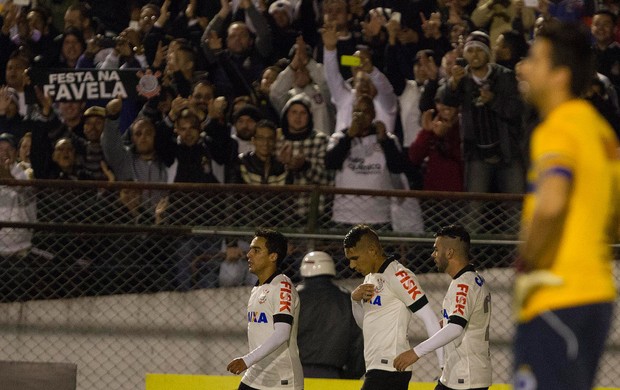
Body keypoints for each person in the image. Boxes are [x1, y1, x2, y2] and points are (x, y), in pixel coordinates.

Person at [514, 20, 618, 390]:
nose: (523, 67)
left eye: (534, 59)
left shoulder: (556, 128)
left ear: (560, 75)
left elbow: (552, 203)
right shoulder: (601, 132)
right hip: (597, 298)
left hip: (557, 296)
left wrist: (527, 262)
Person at [344, 224, 443, 390]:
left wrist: (442, 365)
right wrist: (355, 301)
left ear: (373, 250)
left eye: (355, 258)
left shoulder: (399, 275)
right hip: (377, 367)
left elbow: (429, 318)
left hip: (390, 367)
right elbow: (365, 324)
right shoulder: (370, 277)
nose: (352, 266)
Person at [393, 224, 492, 390]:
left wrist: (415, 353)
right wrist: (445, 322)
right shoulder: (474, 279)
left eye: (436, 249)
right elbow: (464, 320)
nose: (433, 255)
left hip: (465, 377)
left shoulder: (463, 285)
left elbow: (455, 328)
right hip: (461, 374)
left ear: (449, 253)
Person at [226, 228, 303, 390]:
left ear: (273, 256)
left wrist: (247, 360)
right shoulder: (258, 288)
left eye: (256, 250)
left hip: (282, 380)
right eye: (250, 249)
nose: (249, 255)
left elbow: (282, 333)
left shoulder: (282, 287)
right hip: (256, 374)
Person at [296, 251, 364, 379]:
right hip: (332, 374)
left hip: (294, 373)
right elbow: (359, 343)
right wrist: (350, 376)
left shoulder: (291, 298)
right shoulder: (346, 299)